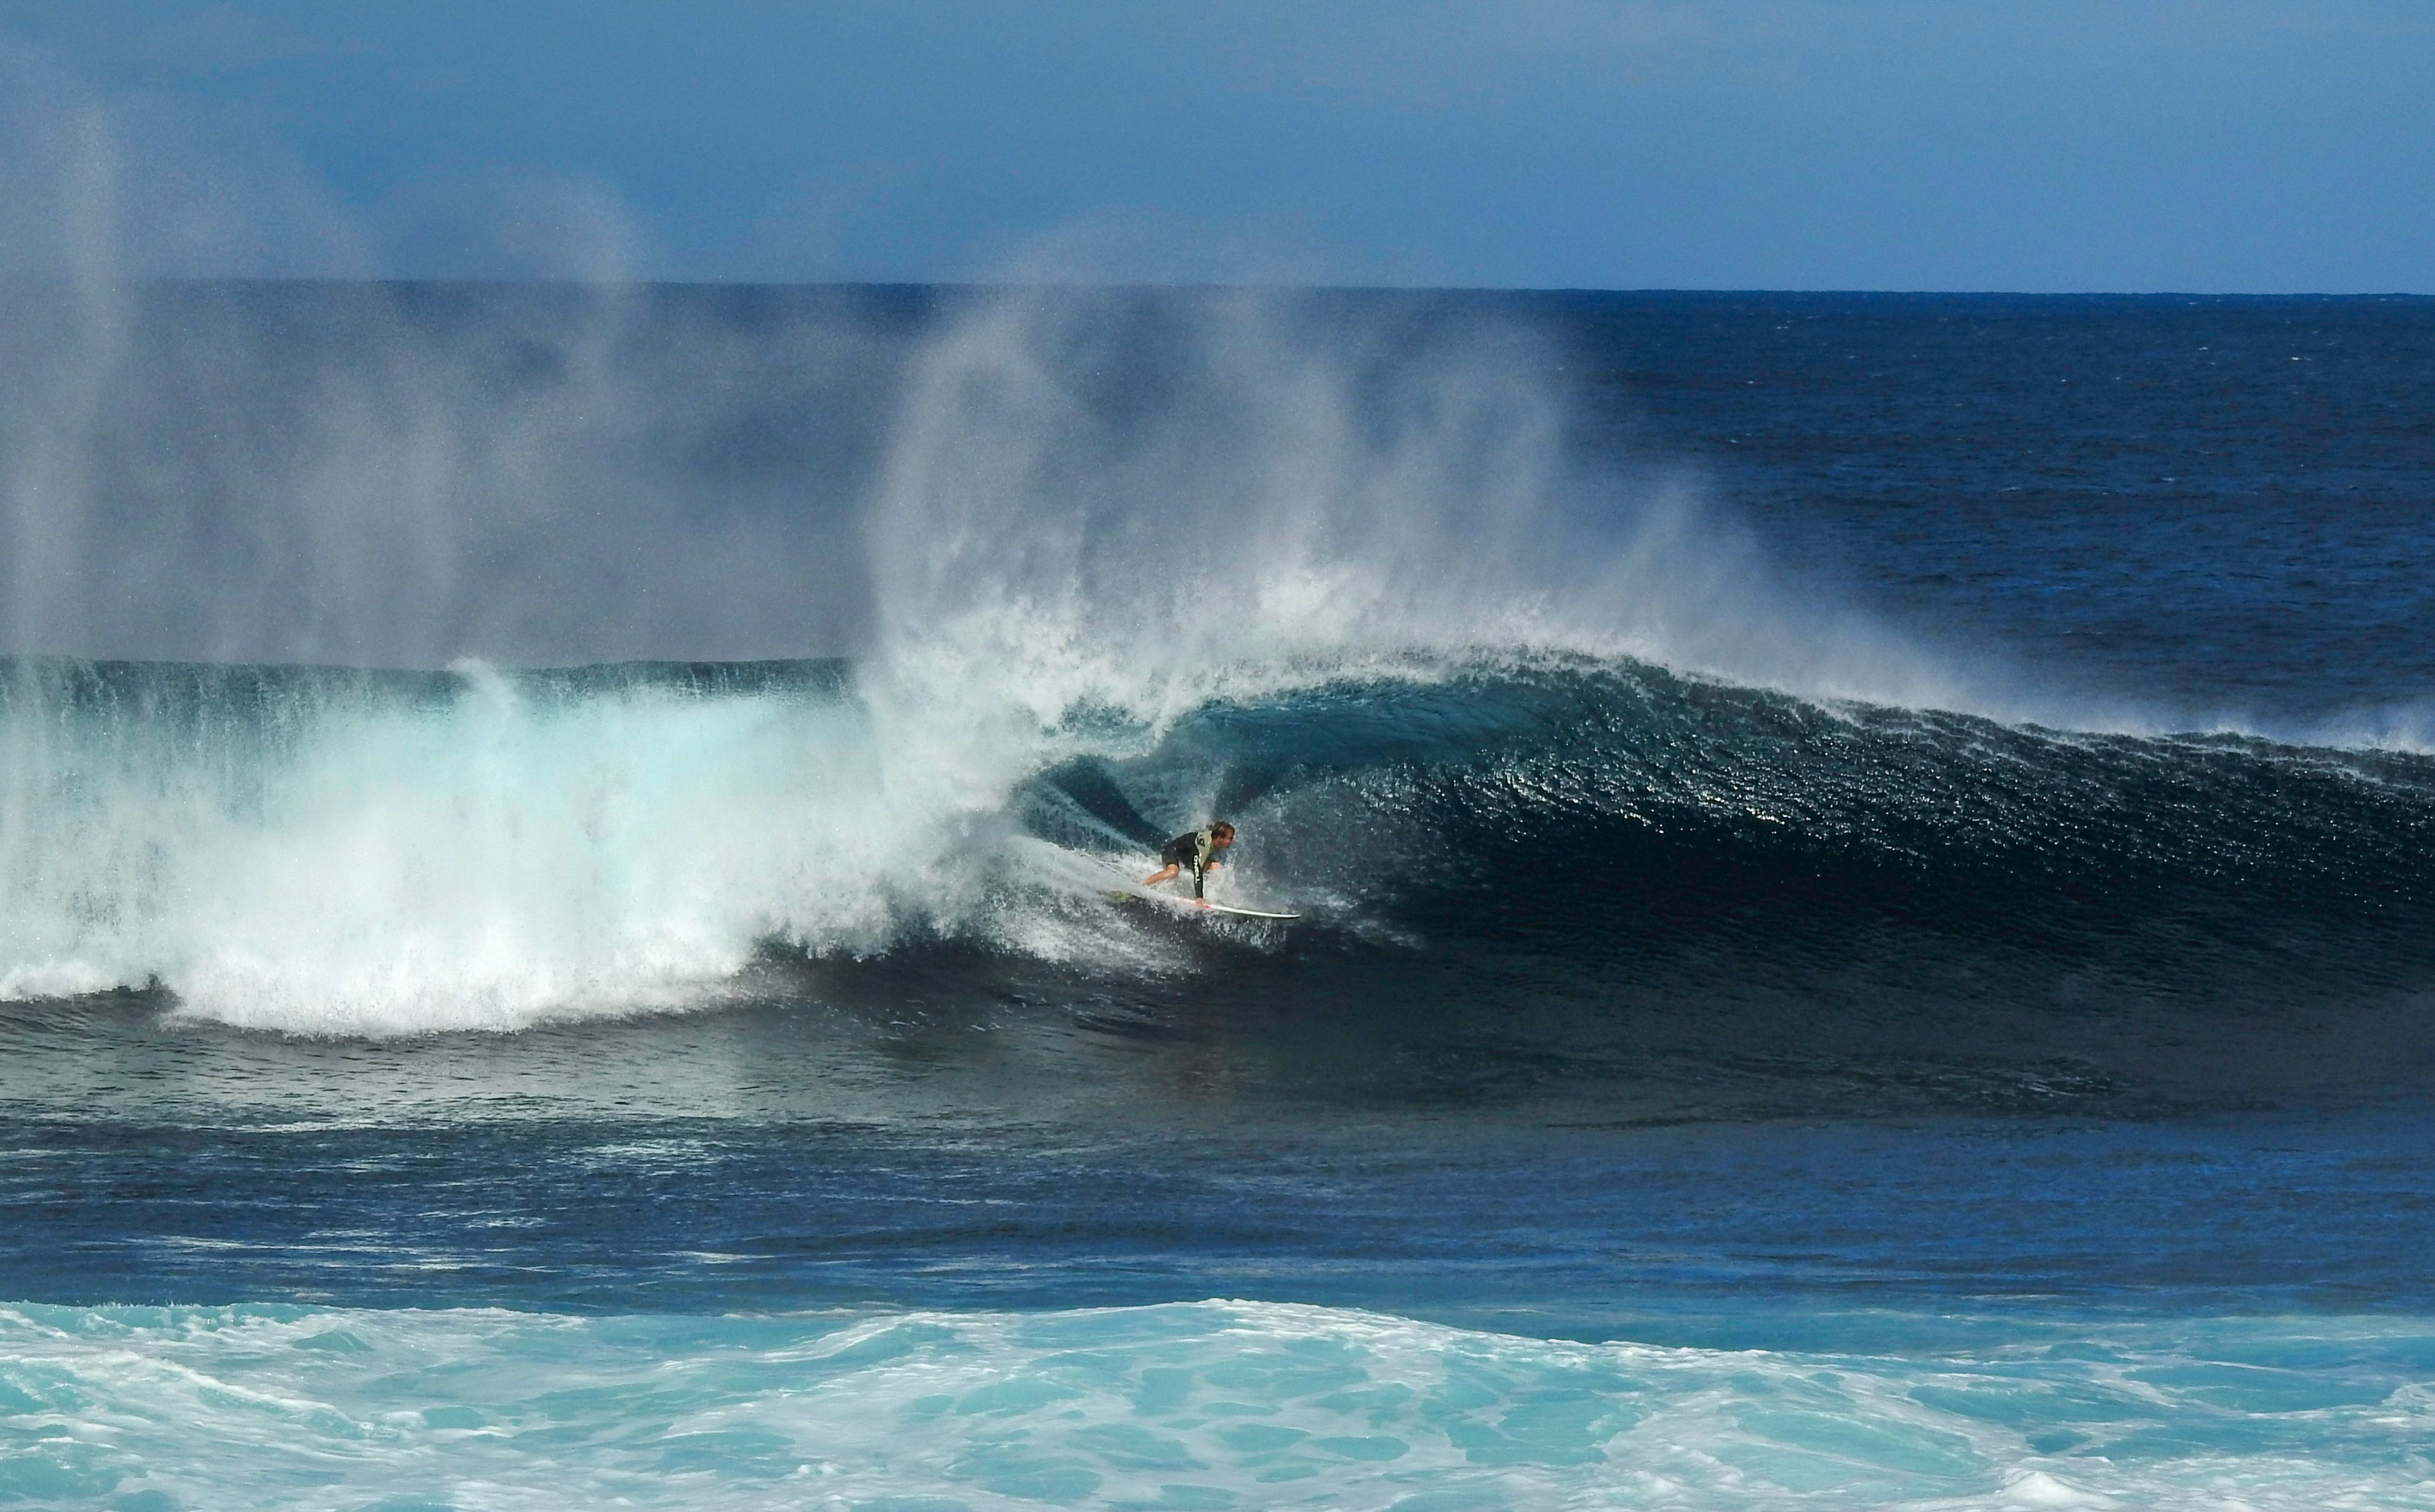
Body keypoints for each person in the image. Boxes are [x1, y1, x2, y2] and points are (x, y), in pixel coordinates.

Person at [1142, 822, 1235, 907]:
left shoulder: (1212, 837)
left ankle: (1214, 898)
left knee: (1216, 867)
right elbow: (1197, 871)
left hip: (1187, 856)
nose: (1232, 841)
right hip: (1173, 851)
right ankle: (1143, 885)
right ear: (1219, 838)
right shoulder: (1203, 849)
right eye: (1230, 838)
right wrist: (1199, 897)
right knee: (1173, 872)